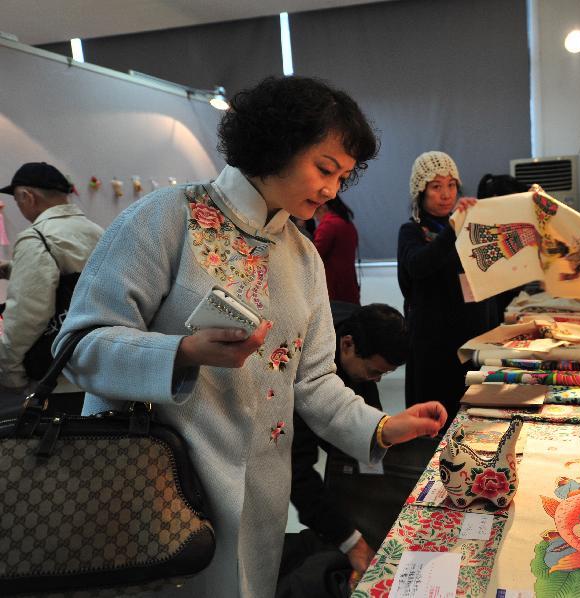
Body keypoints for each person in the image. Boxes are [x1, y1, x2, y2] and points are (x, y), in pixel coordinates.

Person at [53, 76, 447, 598]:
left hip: (262, 492)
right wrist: (181, 352)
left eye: (342, 177)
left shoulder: (302, 257)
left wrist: (382, 427)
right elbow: (78, 346)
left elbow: (314, 380)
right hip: (155, 480)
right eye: (324, 168)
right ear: (276, 145)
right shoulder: (165, 218)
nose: (331, 190)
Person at [279, 303, 408, 595]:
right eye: (374, 371)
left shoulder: (359, 354)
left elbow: (368, 435)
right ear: (347, 344)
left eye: (383, 374)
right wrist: (350, 540)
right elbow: (297, 475)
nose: (376, 380)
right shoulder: (303, 374)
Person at [397, 151, 497, 423]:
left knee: (471, 415)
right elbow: (417, 266)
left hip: (469, 339)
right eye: (436, 186)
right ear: (421, 192)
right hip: (433, 345)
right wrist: (453, 229)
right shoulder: (412, 231)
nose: (446, 194)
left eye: (451, 185)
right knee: (435, 420)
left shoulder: (468, 226)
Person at [0, 162, 103, 412]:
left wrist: (11, 373)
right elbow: (74, 278)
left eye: (17, 200)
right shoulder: (97, 231)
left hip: (57, 378)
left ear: (28, 196)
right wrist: (15, 269)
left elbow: (27, 316)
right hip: (99, 368)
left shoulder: (38, 237)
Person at [312, 195, 360, 304]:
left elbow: (313, 256)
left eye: (315, 213)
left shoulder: (328, 225)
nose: (316, 219)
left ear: (323, 207)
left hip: (333, 290)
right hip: (348, 287)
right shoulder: (347, 223)